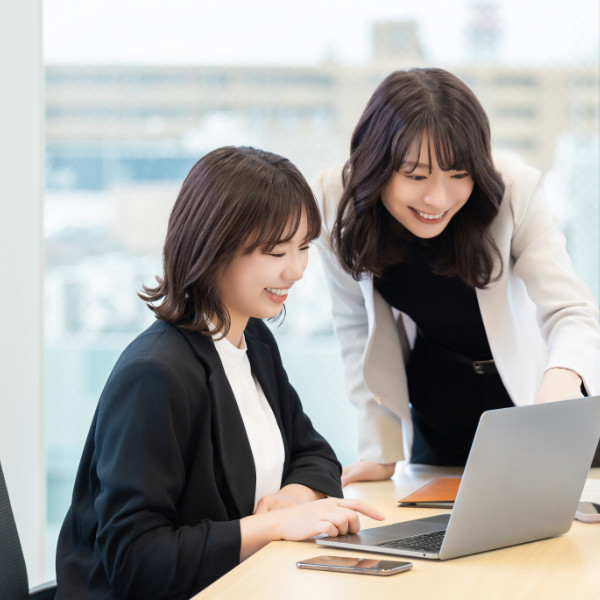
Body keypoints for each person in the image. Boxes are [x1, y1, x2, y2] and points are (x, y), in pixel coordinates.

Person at [55, 146, 384, 599]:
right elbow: (137, 561)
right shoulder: (155, 375)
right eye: (276, 251)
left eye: (304, 247)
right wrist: (272, 526)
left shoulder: (254, 342)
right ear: (214, 248)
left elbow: (315, 456)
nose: (297, 270)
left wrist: (292, 499)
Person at [314, 68, 600, 485]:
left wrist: (562, 381)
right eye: (416, 176)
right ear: (375, 164)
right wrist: (379, 450)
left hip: (536, 393)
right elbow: (356, 327)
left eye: (459, 174)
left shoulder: (513, 190)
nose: (438, 198)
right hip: (440, 400)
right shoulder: (336, 203)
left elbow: (570, 311)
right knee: (441, 521)